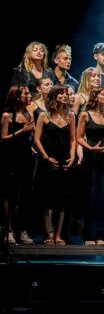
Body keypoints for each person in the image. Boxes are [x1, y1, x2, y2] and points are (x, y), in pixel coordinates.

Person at [34, 85, 76, 245]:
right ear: (54, 96)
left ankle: (58, 235)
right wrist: (45, 157)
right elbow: (37, 138)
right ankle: (48, 234)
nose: (65, 96)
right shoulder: (44, 115)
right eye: (61, 93)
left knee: (62, 200)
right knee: (47, 199)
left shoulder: (70, 116)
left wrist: (72, 157)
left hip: (64, 159)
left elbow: (73, 139)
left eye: (66, 93)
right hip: (48, 159)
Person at [77, 86, 104, 245]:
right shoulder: (86, 115)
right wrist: (90, 148)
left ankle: (101, 235)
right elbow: (78, 137)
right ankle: (89, 235)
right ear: (95, 96)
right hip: (91, 159)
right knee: (91, 197)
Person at [2, 86, 36, 244]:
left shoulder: (29, 114)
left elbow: (29, 138)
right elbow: (4, 138)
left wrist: (32, 147)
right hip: (11, 158)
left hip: (26, 159)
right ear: (17, 97)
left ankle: (22, 230)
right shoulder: (7, 116)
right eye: (26, 93)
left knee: (26, 196)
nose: (29, 96)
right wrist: (22, 131)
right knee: (10, 194)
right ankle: (8, 230)